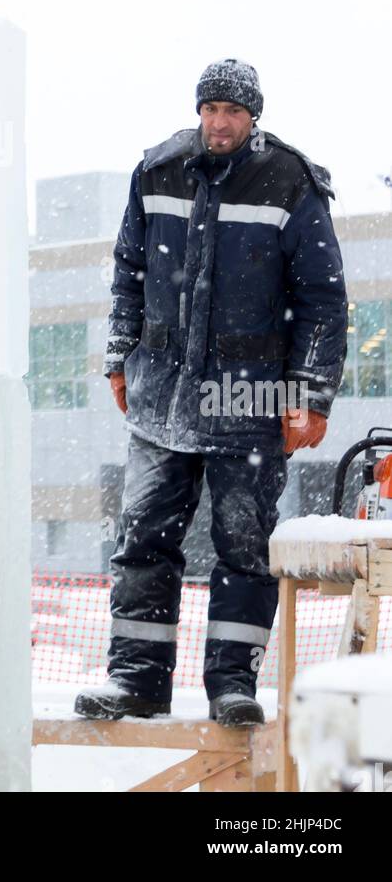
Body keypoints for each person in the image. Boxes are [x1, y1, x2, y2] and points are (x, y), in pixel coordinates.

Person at [74, 58, 348, 727]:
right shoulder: (159, 170)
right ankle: (136, 680)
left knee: (243, 545)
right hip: (161, 397)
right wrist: (119, 357)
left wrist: (310, 395)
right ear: (199, 112)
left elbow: (322, 298)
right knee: (143, 539)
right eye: (210, 110)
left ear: (254, 117)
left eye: (233, 112)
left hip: (248, 402)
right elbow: (128, 272)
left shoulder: (289, 182)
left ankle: (232, 685)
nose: (219, 123)